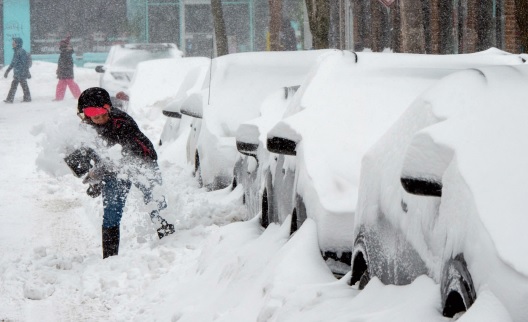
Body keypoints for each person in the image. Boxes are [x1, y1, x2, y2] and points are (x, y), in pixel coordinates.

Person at [76, 87, 175, 259]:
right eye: (92, 114)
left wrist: (98, 175)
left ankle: (171, 246)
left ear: (108, 108)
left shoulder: (121, 122)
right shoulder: (86, 129)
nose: (98, 118)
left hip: (141, 163)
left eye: (101, 113)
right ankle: (110, 258)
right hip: (112, 170)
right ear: (85, 114)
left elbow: (120, 156)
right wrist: (93, 179)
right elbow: (93, 156)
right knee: (112, 211)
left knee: (155, 202)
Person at [3, 37, 31, 103]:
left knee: (16, 85)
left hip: (21, 73)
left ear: (18, 43)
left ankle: (10, 99)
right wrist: (7, 71)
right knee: (22, 85)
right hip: (18, 73)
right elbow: (13, 62)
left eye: (14, 42)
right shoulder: (16, 51)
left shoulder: (21, 52)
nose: (12, 43)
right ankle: (27, 98)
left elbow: (25, 63)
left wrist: (27, 72)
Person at [54, 36, 81, 101]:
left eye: (60, 45)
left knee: (67, 84)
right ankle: (59, 97)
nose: (59, 47)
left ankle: (78, 96)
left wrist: (60, 69)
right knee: (63, 84)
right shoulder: (65, 52)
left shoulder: (66, 53)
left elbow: (66, 64)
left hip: (66, 72)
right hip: (66, 72)